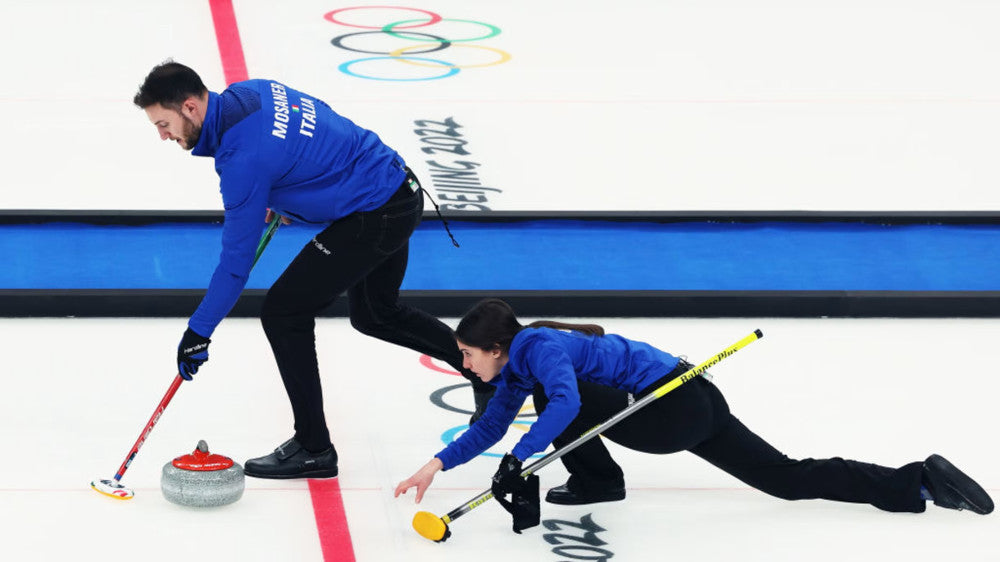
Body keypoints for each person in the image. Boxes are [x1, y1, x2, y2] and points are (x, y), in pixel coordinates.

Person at [133, 61, 495, 479]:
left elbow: (235, 265)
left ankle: (313, 446)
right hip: (395, 184)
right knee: (376, 313)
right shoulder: (250, 92)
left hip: (376, 211)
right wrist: (288, 196)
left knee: (284, 312)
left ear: (190, 107)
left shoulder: (242, 161)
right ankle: (487, 376)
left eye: (164, 124)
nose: (163, 136)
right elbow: (313, 136)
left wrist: (198, 332)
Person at [395, 298, 993, 527]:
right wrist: (435, 465)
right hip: (693, 399)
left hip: (667, 408)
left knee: (559, 399)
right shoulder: (518, 365)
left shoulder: (538, 347)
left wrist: (521, 459)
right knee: (784, 478)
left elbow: (569, 404)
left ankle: (599, 480)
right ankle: (916, 482)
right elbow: (492, 426)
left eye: (468, 354)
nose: (464, 364)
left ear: (497, 347)